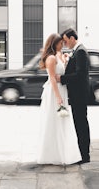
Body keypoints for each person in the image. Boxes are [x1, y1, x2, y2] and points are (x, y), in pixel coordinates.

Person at [36, 33, 82, 165]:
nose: (63, 45)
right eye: (60, 43)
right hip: (54, 92)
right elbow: (52, 78)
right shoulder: (51, 58)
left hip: (62, 90)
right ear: (54, 43)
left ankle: (63, 152)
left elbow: (62, 72)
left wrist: (65, 60)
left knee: (63, 122)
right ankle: (52, 154)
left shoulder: (59, 55)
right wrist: (58, 97)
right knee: (54, 121)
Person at [56, 28, 90, 164]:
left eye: (65, 40)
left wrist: (62, 78)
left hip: (80, 94)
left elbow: (80, 74)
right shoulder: (77, 51)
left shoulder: (80, 51)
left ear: (72, 38)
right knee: (80, 123)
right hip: (78, 94)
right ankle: (83, 154)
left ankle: (85, 156)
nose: (64, 43)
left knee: (81, 124)